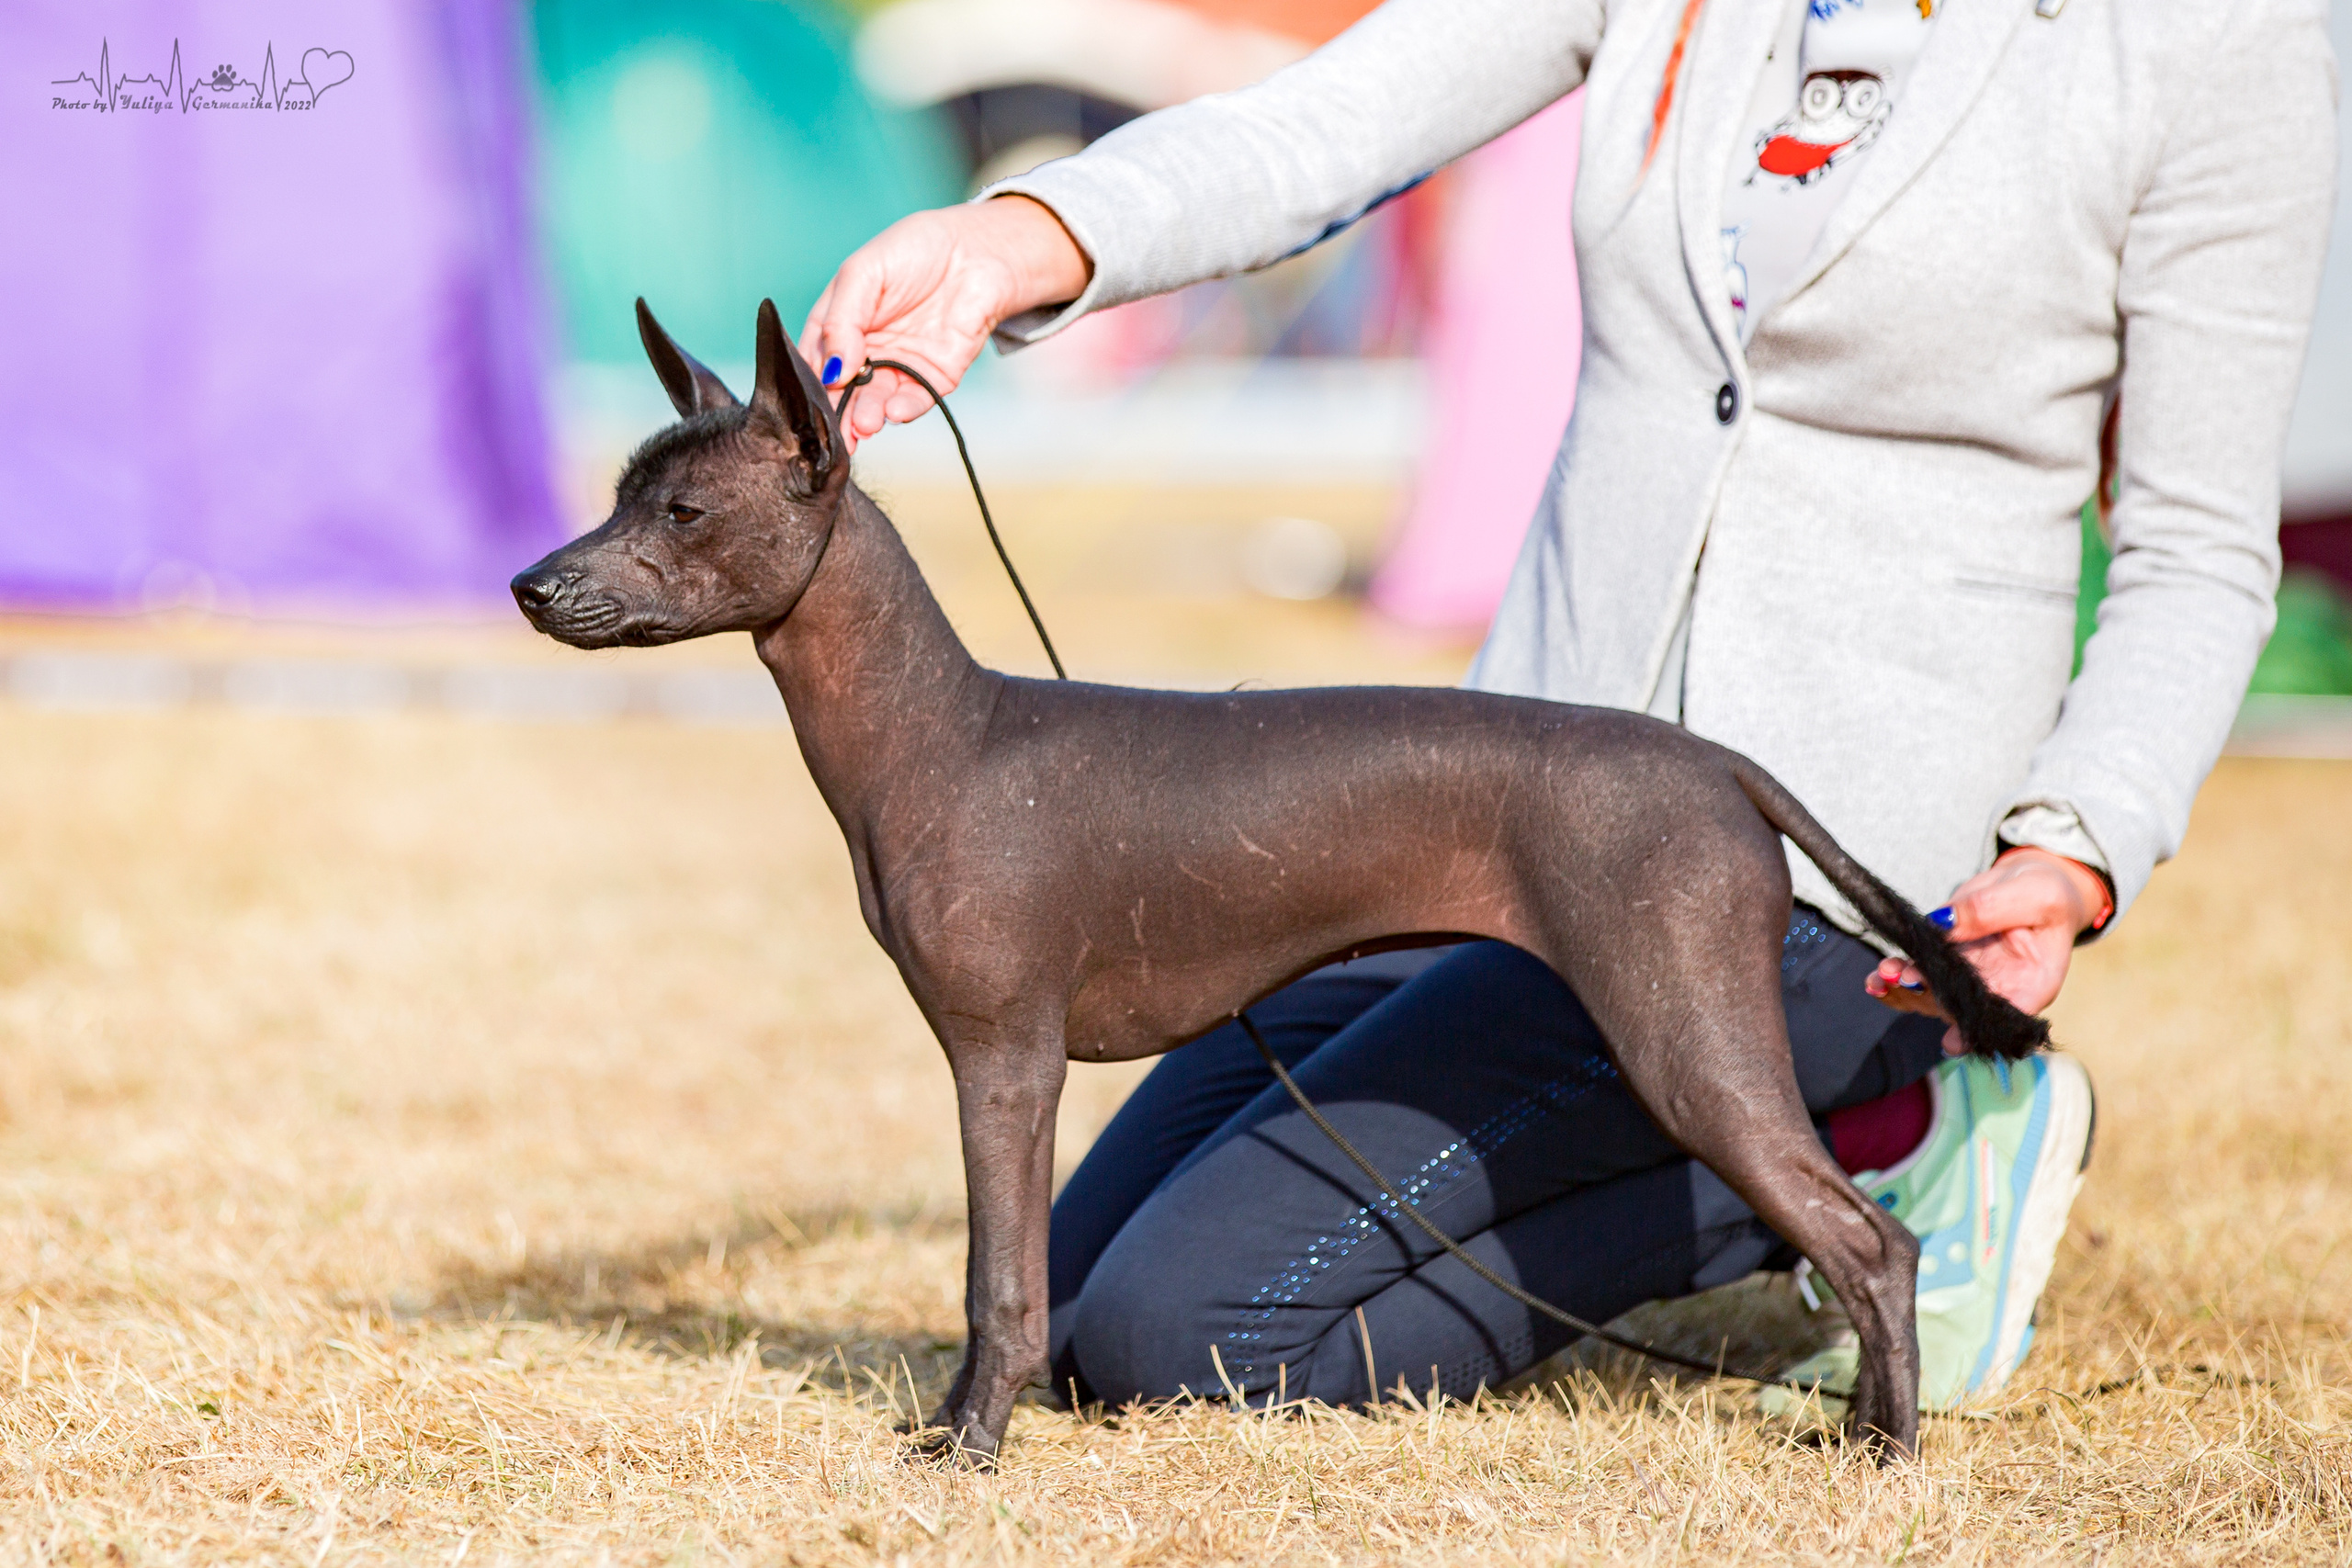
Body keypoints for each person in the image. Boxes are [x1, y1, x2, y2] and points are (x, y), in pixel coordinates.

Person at [800, 0, 2337, 1414]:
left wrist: (2077, 845)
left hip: (1818, 875)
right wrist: (1021, 237)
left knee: (1180, 1342)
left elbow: (2200, 550)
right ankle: (1791, 1145)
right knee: (1061, 1308)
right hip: (1487, 813)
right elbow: (1325, 123)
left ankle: (1883, 1145)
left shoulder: (2210, 42)